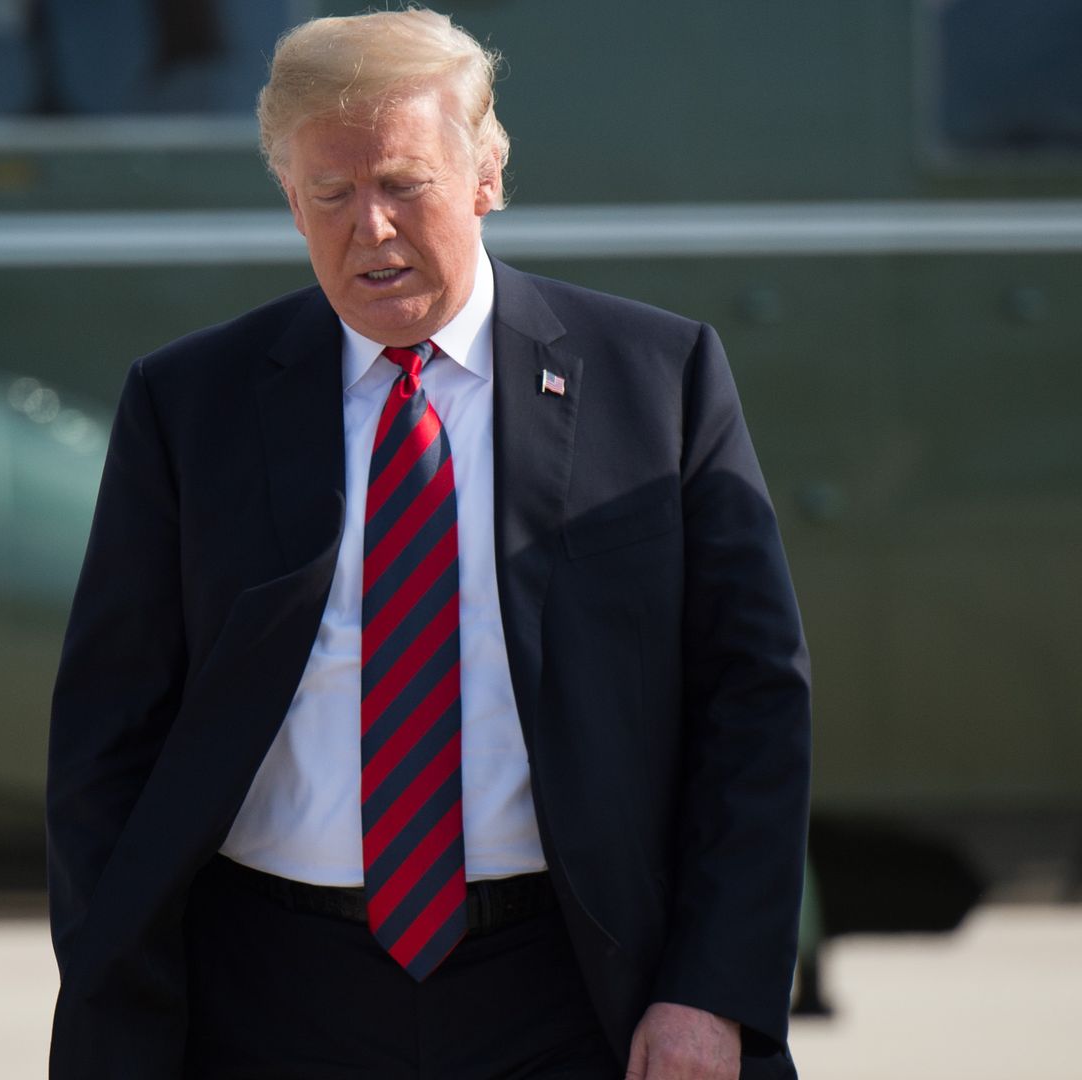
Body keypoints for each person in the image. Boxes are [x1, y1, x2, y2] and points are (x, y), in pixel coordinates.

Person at [46, 11, 811, 1080]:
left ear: (486, 175)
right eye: (331, 196)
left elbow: (753, 705)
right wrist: (112, 986)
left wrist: (711, 991)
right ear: (291, 201)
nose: (372, 229)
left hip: (571, 992)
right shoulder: (190, 406)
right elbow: (104, 737)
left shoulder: (657, 383)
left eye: (404, 184)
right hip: (269, 996)